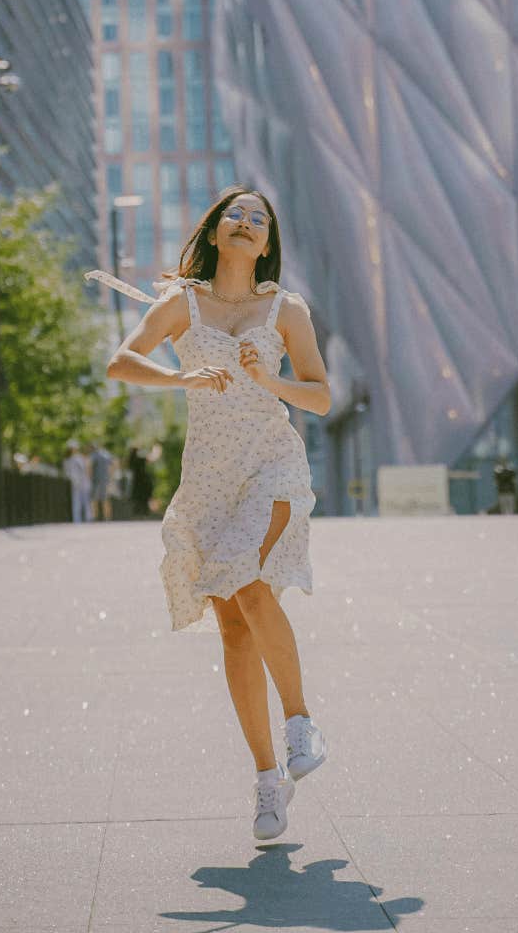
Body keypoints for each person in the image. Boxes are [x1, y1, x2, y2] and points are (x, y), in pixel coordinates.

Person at [105, 187, 331, 841]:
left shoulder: (286, 311)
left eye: (259, 219)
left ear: (266, 244)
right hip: (207, 479)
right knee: (233, 632)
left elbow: (318, 397)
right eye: (236, 213)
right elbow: (122, 362)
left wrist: (270, 381)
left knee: (255, 586)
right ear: (215, 231)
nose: (246, 222)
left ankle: (299, 722)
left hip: (270, 463)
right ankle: (267, 780)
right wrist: (183, 379)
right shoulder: (184, 304)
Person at [62, 439, 91, 523]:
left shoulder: (79, 458)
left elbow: (85, 470)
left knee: (85, 501)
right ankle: (77, 520)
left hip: (83, 482)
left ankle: (88, 519)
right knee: (76, 502)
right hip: (73, 483)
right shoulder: (67, 459)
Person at [89, 441, 114, 522]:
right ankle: (107, 518)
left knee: (94, 500)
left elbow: (90, 467)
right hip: (106, 480)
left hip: (96, 480)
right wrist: (110, 478)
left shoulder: (94, 455)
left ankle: (95, 517)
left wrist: (89, 478)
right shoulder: (107, 454)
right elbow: (113, 466)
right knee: (105, 499)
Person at [127, 445, 154, 518]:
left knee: (137, 498)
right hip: (143, 480)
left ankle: (137, 513)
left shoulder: (130, 460)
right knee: (144, 498)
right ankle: (145, 512)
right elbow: (150, 460)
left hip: (136, 480)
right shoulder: (140, 459)